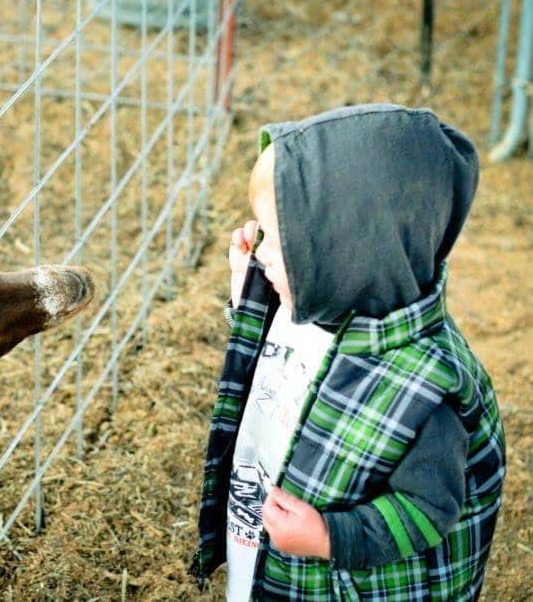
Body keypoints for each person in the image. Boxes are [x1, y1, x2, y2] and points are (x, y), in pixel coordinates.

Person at [189, 104, 506, 600]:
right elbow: (285, 363)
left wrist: (328, 538)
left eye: (279, 240)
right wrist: (246, 291)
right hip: (270, 550)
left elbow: (426, 513)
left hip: (333, 574)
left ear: (346, 253)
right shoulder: (331, 305)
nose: (261, 249)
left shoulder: (424, 390)